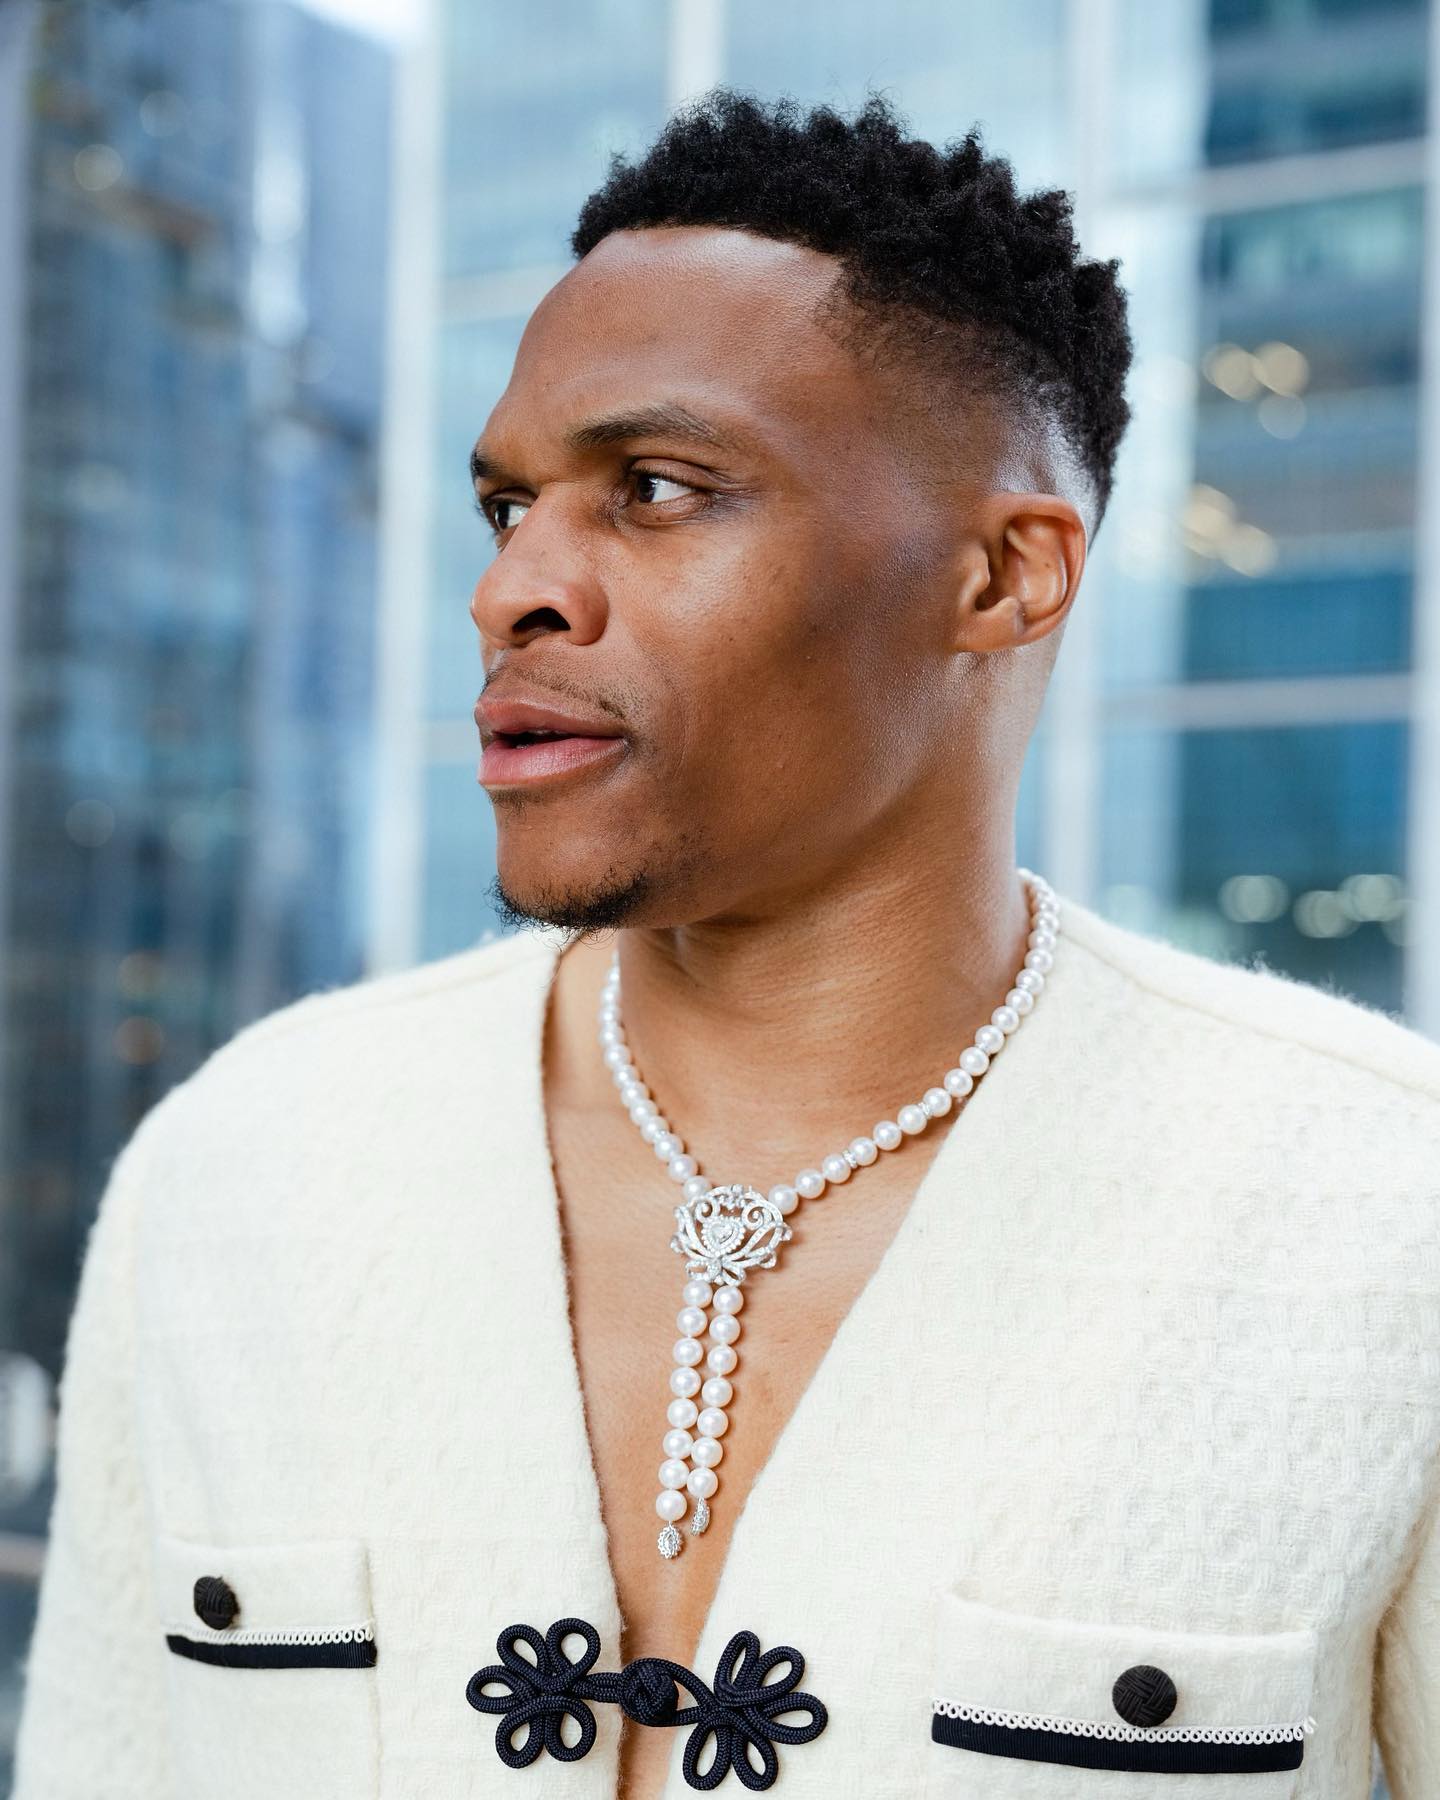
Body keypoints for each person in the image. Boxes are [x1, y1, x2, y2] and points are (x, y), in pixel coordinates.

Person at [12, 87, 1439, 1800]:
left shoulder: (1382, 1214)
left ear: (1004, 577)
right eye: (507, 506)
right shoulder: (243, 1163)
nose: (513, 589)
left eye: (658, 488)